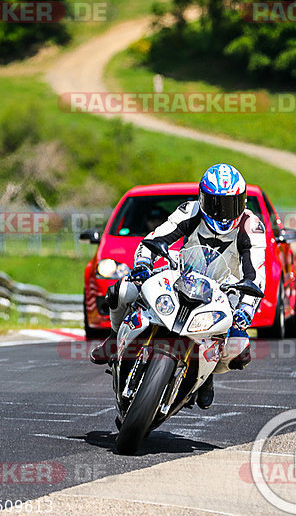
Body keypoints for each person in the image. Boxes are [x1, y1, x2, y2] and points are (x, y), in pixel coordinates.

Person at [90, 163, 267, 409]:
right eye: (215, 204)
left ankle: (207, 375)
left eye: (229, 205)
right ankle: (113, 338)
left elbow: (256, 273)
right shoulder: (190, 210)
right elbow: (154, 239)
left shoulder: (252, 227)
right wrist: (142, 264)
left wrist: (246, 308)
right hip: (182, 274)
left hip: (226, 291)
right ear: (202, 198)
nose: (222, 213)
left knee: (239, 348)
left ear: (243, 202)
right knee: (121, 290)